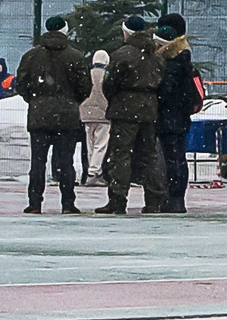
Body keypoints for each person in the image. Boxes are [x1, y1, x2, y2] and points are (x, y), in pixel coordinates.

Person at [14, 13, 92, 215]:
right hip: (66, 116)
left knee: (37, 161)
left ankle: (34, 202)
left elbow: (21, 84)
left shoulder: (32, 56)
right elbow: (85, 86)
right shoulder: (75, 56)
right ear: (65, 30)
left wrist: (35, 99)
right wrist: (71, 101)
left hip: (39, 116)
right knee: (66, 161)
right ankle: (68, 203)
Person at [96, 16, 173, 216]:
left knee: (120, 155)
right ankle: (153, 200)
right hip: (149, 109)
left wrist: (118, 99)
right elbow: (162, 85)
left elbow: (109, 84)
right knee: (149, 155)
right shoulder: (155, 55)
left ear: (126, 32)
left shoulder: (122, 55)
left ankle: (118, 200)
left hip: (124, 109)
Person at [153, 15, 202, 213]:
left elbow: (165, 92)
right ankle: (177, 197)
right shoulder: (184, 61)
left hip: (168, 117)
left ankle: (173, 198)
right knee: (178, 157)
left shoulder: (171, 65)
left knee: (171, 158)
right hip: (180, 117)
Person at [77, 47, 109, 191]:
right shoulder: (107, 75)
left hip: (86, 114)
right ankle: (94, 173)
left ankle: (90, 169)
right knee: (100, 145)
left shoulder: (87, 74)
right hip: (103, 114)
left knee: (90, 145)